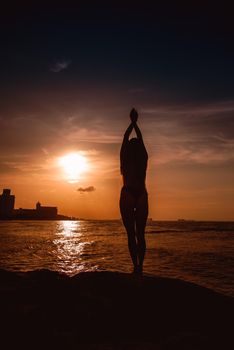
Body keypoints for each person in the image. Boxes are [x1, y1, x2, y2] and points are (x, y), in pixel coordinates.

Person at [120, 108, 148, 275]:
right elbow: (140, 139)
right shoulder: (142, 157)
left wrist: (132, 123)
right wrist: (135, 123)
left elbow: (125, 138)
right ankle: (140, 267)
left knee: (132, 234)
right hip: (140, 193)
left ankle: (136, 266)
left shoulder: (125, 156)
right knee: (140, 234)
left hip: (128, 193)